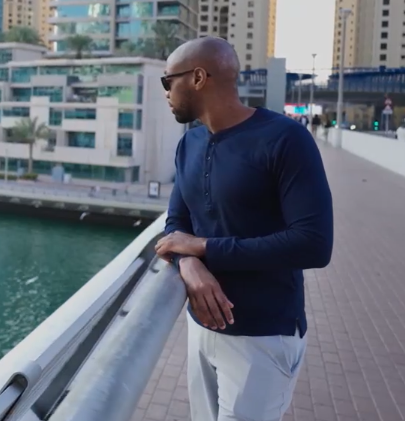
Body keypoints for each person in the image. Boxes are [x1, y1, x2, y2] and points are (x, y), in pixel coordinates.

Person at [154, 37, 333, 421]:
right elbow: (176, 225)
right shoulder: (190, 143)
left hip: (263, 336)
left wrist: (204, 248)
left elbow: (315, 244)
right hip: (201, 327)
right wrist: (189, 265)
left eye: (168, 81)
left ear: (198, 77)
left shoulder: (285, 140)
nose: (166, 92)